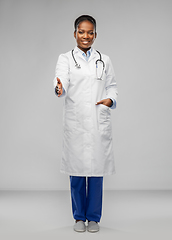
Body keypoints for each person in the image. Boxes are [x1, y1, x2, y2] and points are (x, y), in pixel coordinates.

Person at [53, 15, 118, 233]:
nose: (86, 36)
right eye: (81, 32)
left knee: (96, 173)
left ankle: (94, 218)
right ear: (75, 34)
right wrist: (59, 87)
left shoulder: (104, 59)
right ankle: (79, 217)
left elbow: (112, 87)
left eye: (90, 32)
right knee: (77, 173)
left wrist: (111, 100)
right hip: (77, 121)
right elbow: (61, 79)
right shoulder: (66, 58)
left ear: (95, 35)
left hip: (98, 120)